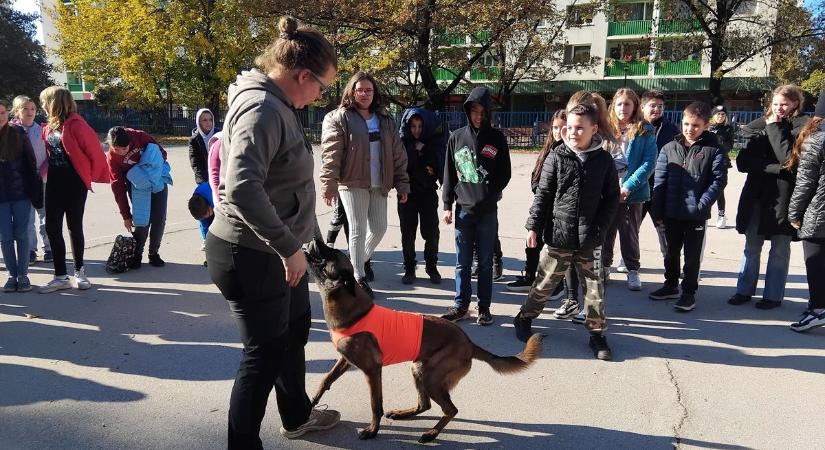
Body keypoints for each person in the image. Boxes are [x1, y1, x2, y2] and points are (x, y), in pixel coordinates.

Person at [205, 17, 340, 448]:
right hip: (252, 252)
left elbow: (287, 184)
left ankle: (297, 414)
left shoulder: (278, 103)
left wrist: (308, 239)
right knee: (262, 356)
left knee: (295, 329)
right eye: (322, 85)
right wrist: (287, 247)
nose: (321, 95)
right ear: (301, 75)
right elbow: (242, 187)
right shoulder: (263, 108)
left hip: (281, 250)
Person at [512, 100, 619, 360]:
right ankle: (524, 318)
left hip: (590, 238)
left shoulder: (603, 159)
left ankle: (597, 335)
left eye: (580, 128)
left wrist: (601, 229)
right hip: (559, 235)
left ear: (594, 129)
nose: (573, 132)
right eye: (570, 127)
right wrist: (533, 226)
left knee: (595, 289)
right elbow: (544, 194)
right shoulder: (556, 155)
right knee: (545, 284)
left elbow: (612, 197)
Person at [320, 72, 410, 298]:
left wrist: (402, 184)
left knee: (379, 227)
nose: (364, 94)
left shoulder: (385, 119)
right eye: (360, 90)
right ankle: (359, 277)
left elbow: (398, 155)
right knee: (358, 229)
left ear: (374, 93)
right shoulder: (339, 117)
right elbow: (331, 153)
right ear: (352, 91)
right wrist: (329, 184)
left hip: (380, 183)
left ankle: (353, 264)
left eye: (368, 90)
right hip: (352, 183)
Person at [729, 85, 809, 310]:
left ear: (795, 103)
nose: (779, 108)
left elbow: (789, 159)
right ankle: (744, 290)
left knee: (780, 248)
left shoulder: (802, 126)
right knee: (751, 245)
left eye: (784, 104)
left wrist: (774, 127)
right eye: (775, 104)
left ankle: (773, 296)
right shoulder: (760, 125)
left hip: (784, 196)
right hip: (756, 194)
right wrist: (774, 167)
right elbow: (743, 162)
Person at [440, 86, 512, 325]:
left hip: (487, 213)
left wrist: (490, 195)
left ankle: (484, 308)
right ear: (468, 111)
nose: (478, 116)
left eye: (483, 111)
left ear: (489, 112)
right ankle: (460, 306)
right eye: (474, 111)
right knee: (462, 263)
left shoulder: (497, 138)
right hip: (463, 211)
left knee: (484, 263)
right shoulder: (456, 137)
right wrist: (447, 205)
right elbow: (449, 174)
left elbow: (505, 173)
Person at [648, 102, 727, 312]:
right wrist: (657, 211)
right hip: (671, 212)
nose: (689, 129)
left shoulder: (714, 149)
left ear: (705, 125)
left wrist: (701, 206)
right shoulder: (669, 148)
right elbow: (660, 181)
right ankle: (671, 285)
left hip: (696, 215)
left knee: (692, 257)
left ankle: (688, 293)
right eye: (686, 124)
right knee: (671, 252)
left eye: (695, 125)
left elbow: (718, 181)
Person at [38, 86, 110, 293]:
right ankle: (60, 276)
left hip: (74, 183)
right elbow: (50, 155)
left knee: (74, 226)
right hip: (54, 182)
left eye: (44, 101)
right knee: (52, 226)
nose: (42, 105)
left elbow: (95, 153)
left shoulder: (77, 124)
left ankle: (80, 273)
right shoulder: (49, 126)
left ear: (54, 102)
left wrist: (91, 177)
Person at [507, 110, 568, 297]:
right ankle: (530, 276)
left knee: (555, 249)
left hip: (558, 211)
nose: (558, 131)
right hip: (542, 207)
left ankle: (557, 284)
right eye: (555, 127)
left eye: (562, 127)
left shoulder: (567, 152)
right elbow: (537, 179)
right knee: (532, 243)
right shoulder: (548, 149)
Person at [603, 89, 657, 292]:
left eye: (627, 104)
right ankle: (605, 266)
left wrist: (627, 186)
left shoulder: (645, 130)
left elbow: (649, 162)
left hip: (632, 192)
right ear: (613, 106)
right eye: (619, 104)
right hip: (608, 190)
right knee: (606, 231)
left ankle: (632, 270)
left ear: (635, 106)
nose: (623, 108)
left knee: (629, 233)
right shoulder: (605, 129)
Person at [786, 90, 825, 332]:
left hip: (819, 214)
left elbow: (805, 183)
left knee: (816, 262)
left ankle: (818, 309)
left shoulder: (816, 139)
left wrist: (794, 213)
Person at [106, 126, 169, 269]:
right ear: (110, 146)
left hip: (157, 179)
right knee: (141, 221)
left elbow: (162, 153)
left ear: (130, 141)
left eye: (125, 148)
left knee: (159, 218)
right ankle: (137, 254)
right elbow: (118, 187)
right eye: (117, 150)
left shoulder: (140, 136)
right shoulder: (112, 158)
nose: (122, 153)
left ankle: (154, 253)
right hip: (136, 185)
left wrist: (149, 169)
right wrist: (126, 215)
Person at [397, 107, 445, 284]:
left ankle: (431, 266)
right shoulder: (401, 143)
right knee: (408, 233)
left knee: (431, 232)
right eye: (413, 126)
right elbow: (396, 166)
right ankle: (409, 268)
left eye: (420, 126)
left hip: (428, 193)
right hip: (407, 194)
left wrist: (425, 149)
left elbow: (440, 164)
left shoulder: (433, 142)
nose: (416, 130)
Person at [0, 101, 42, 292]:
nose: (0, 117)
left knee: (22, 234)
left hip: (20, 194)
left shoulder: (18, 133)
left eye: (2, 112)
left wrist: (34, 190)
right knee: (5, 237)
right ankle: (11, 275)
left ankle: (23, 275)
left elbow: (30, 163)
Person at [639, 90, 680, 264]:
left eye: (660, 106)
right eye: (653, 105)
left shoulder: (670, 129)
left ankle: (669, 262)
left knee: (663, 227)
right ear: (642, 107)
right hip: (638, 187)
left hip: (660, 187)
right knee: (631, 228)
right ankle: (628, 260)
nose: (657, 109)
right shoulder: (635, 127)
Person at [10, 95, 51, 264]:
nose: (30, 112)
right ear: (17, 111)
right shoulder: (10, 131)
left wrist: (43, 170)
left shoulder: (42, 130)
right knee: (26, 218)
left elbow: (50, 154)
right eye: (25, 108)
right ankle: (30, 250)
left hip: (42, 179)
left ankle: (48, 248)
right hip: (21, 182)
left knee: (45, 215)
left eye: (33, 108)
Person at [708, 104, 735, 229]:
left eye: (723, 114)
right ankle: (705, 211)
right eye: (718, 114)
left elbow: (730, 146)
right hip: (707, 161)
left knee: (719, 189)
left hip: (722, 162)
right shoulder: (707, 128)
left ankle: (721, 214)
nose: (720, 116)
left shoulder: (728, 129)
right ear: (713, 115)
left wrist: (720, 142)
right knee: (705, 187)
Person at [189, 108, 219, 184]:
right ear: (199, 122)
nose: (208, 122)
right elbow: (195, 163)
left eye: (210, 119)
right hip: (204, 178)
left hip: (220, 176)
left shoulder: (220, 135)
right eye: (205, 120)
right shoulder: (194, 139)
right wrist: (203, 182)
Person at [189, 182, 214, 266]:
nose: (204, 219)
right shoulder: (197, 203)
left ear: (210, 208)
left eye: (205, 216)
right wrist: (206, 240)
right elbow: (204, 226)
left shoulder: (216, 198)